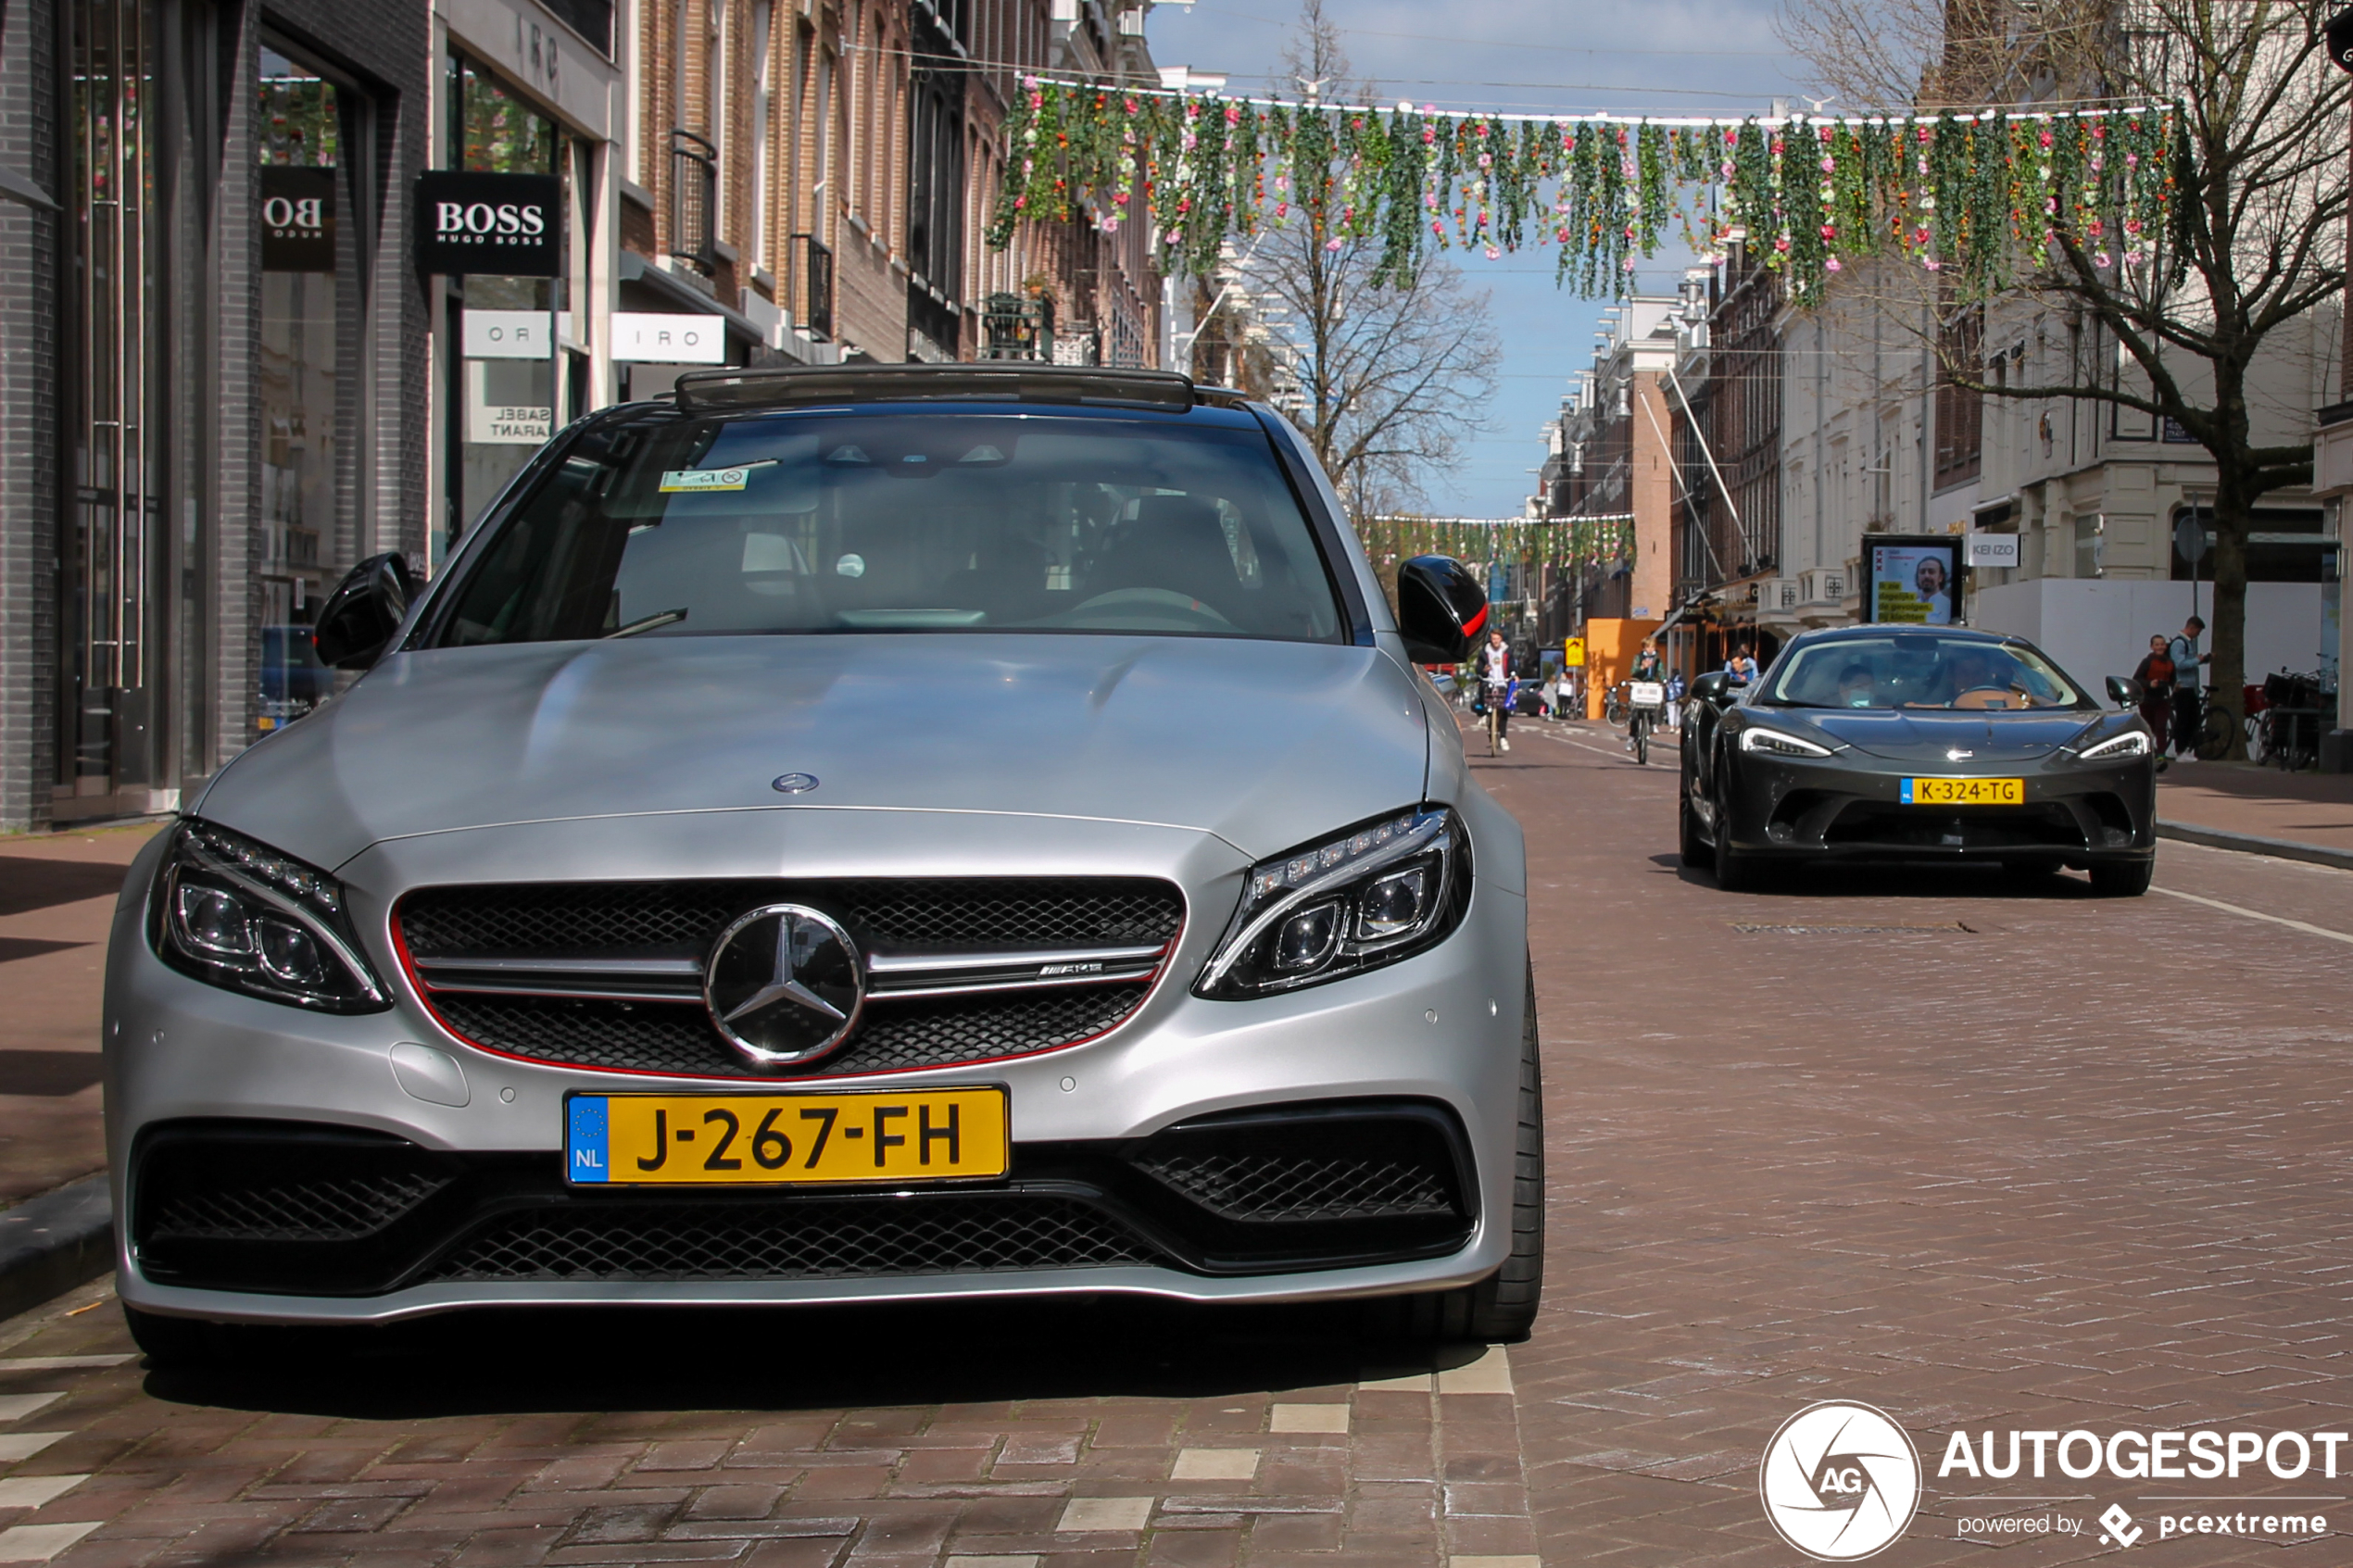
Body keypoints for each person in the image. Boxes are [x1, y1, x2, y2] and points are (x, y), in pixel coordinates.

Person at [2167, 615, 2208, 759]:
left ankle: (2186, 749)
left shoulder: (2187, 643)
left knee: (2193, 718)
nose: (2198, 635)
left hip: (2189, 687)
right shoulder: (2179, 643)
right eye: (2198, 631)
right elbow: (2179, 664)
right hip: (2182, 687)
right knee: (2184, 719)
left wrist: (2201, 661)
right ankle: (2180, 750)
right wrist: (2197, 660)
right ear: (2192, 628)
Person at [2132, 633, 2176, 767]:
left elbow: (2173, 679)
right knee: (2149, 726)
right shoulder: (2148, 662)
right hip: (2148, 699)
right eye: (2157, 644)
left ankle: (2161, 754)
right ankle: (2149, 751)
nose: (2160, 647)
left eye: (2162, 644)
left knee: (2161, 726)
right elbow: (2137, 679)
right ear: (2152, 647)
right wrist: (2150, 684)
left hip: (2162, 698)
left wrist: (2174, 688)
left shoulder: (2170, 663)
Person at [1478, 628, 1514, 751]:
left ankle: (1503, 737)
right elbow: (1478, 667)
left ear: (1501, 639)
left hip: (1502, 682)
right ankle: (1486, 719)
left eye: (1497, 638)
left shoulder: (1507, 651)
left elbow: (1512, 665)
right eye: (1493, 639)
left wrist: (1514, 674)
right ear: (1490, 639)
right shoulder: (1485, 651)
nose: (1495, 641)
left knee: (1503, 709)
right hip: (1490, 682)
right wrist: (1483, 670)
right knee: (1487, 704)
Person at [1913, 555, 1953, 622]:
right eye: (1922, 572)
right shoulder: (1911, 606)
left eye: (1931, 572)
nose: (1926, 576)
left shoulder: (1947, 605)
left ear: (1940, 577)